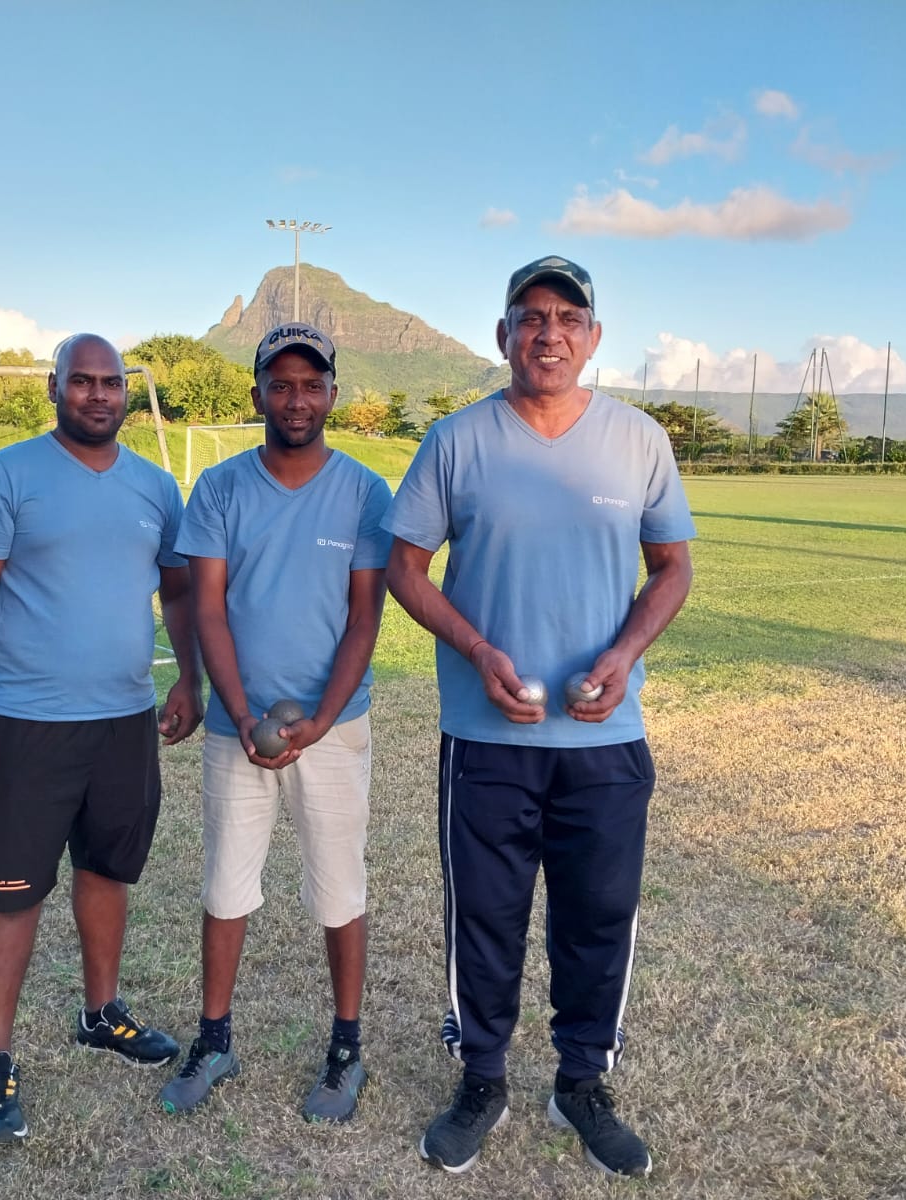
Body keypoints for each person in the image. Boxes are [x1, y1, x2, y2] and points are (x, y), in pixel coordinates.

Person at [383, 255, 695, 1178]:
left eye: (567, 317)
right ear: (503, 336)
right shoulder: (455, 441)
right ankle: (481, 1077)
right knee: (484, 915)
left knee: (598, 915)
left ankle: (582, 1082)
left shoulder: (639, 440)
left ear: (592, 338)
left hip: (605, 741)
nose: (548, 331)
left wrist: (623, 655)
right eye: (530, 316)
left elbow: (672, 566)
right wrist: (479, 654)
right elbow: (406, 568)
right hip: (487, 740)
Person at [0, 332, 203, 1146]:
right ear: (54, 388)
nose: (97, 395)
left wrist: (188, 679)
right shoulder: (9, 474)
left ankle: (101, 1012)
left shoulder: (157, 487)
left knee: (106, 871)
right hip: (27, 724)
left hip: (124, 721)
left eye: (111, 382)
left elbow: (179, 594)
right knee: (14, 897)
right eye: (81, 382)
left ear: (127, 392)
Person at [158, 323, 392, 1122]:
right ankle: (214, 1039)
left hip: (334, 728)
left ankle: (346, 1049)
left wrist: (323, 717)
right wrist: (242, 710)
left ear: (333, 394)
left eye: (311, 384)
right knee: (226, 885)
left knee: (339, 888)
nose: (296, 398)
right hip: (238, 729)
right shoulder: (220, 488)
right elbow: (208, 608)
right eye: (280, 384)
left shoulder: (364, 491)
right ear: (257, 393)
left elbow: (365, 618)